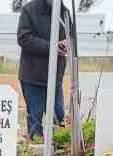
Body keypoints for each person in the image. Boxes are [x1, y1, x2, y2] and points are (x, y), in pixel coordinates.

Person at [16, 0, 75, 141]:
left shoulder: (64, 12)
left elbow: (70, 36)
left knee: (58, 116)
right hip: (33, 77)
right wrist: (51, 47)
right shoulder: (29, 10)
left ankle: (57, 150)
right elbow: (24, 38)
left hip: (55, 76)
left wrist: (67, 43)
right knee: (35, 120)